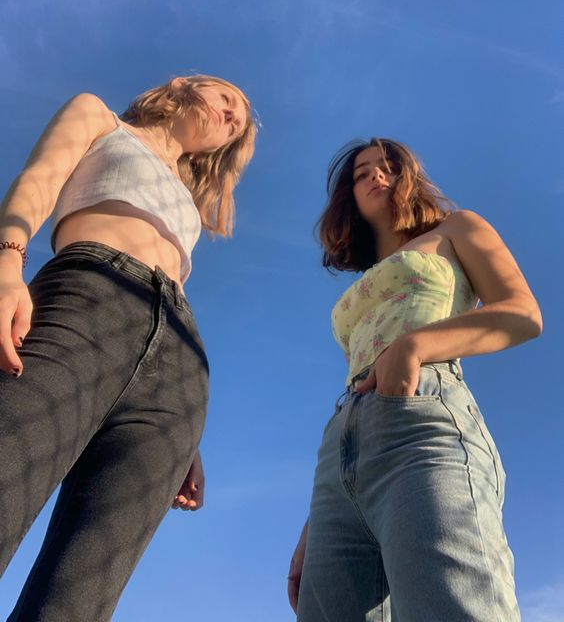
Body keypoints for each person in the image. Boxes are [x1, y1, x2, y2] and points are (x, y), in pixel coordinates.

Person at [0, 75, 256, 620]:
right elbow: (39, 179)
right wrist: (7, 263)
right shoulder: (103, 120)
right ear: (182, 86)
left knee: (84, 591)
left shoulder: (185, 200)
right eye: (227, 98)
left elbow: (171, 297)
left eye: (240, 122)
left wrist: (189, 436)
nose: (234, 116)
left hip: (180, 362)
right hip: (89, 294)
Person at [288, 138, 541, 621]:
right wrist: (314, 521)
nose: (376, 176)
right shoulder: (364, 280)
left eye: (387, 167)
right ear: (349, 196)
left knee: (451, 606)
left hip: (421, 419)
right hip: (342, 447)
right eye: (362, 173)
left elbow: (522, 314)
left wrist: (414, 346)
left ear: (409, 179)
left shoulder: (457, 229)